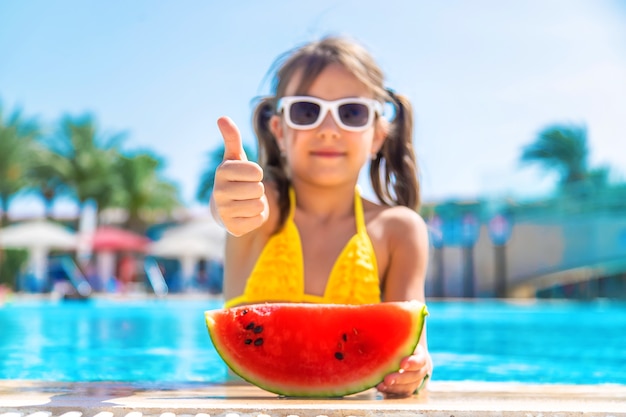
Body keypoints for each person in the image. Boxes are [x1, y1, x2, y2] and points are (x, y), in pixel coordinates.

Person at [210, 35, 432, 398]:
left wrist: (416, 371)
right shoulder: (265, 208)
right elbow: (231, 211)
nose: (329, 128)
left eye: (352, 112)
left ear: (377, 135)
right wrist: (228, 205)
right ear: (279, 130)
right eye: (306, 111)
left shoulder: (399, 231)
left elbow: (416, 347)